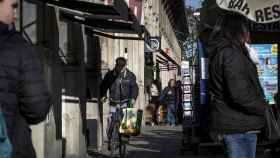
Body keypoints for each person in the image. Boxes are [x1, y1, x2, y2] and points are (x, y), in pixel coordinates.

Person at [207, 12, 267, 158]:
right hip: (238, 128)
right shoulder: (231, 54)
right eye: (247, 29)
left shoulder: (224, 51)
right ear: (238, 31)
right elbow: (239, 94)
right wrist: (263, 107)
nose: (249, 34)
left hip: (236, 125)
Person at [0, 0, 51, 157]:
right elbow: (38, 107)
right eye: (13, 6)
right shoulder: (17, 47)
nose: (16, 14)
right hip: (13, 144)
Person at [100, 57, 139, 138]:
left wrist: (133, 98)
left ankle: (126, 136)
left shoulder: (130, 75)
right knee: (111, 119)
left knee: (129, 117)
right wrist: (103, 95)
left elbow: (134, 88)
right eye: (119, 66)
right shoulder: (110, 75)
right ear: (116, 65)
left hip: (126, 101)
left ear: (125, 66)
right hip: (113, 101)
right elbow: (104, 86)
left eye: (122, 66)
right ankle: (110, 137)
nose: (121, 68)